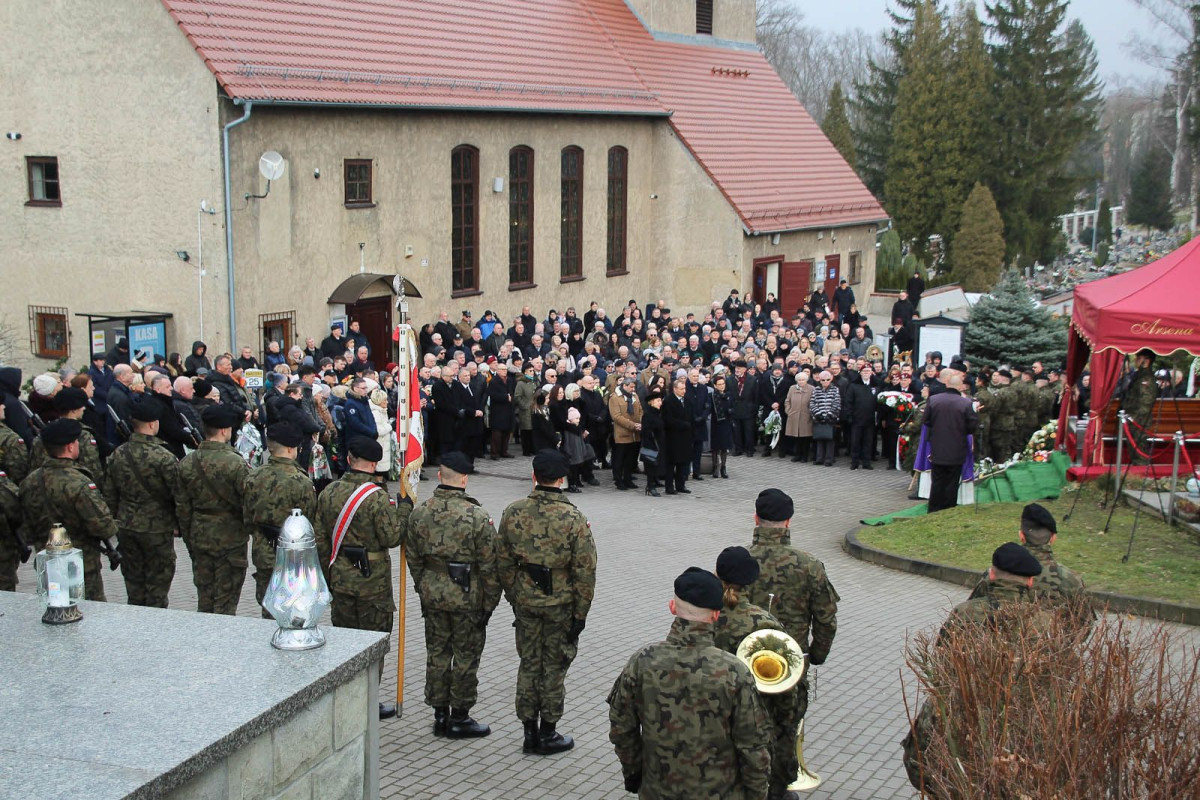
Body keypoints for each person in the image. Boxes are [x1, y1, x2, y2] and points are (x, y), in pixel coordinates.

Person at [607, 566, 770, 799]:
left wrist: (635, 775)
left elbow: (621, 728)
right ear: (715, 615)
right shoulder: (734, 671)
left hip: (657, 790)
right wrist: (757, 794)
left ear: (672, 607)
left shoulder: (642, 661)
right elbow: (753, 746)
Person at [902, 543, 1046, 795]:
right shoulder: (1047, 624)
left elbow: (942, 667)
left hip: (962, 728)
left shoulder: (965, 614)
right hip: (1023, 733)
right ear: (1031, 582)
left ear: (991, 574)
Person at [497, 450, 597, 755]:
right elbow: (585, 571)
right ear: (562, 479)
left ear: (534, 476)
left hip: (526, 603)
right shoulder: (574, 518)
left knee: (529, 663)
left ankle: (528, 731)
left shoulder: (513, 512)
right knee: (554, 666)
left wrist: (515, 595)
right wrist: (580, 615)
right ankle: (548, 732)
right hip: (561, 607)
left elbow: (502, 561)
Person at [405, 451, 499, 738]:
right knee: (466, 656)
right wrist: (489, 603)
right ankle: (460, 715)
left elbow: (413, 556)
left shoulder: (420, 512)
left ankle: (439, 714)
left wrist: (424, 585)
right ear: (465, 479)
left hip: (433, 595)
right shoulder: (477, 516)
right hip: (466, 598)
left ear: (439, 476)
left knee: (437, 653)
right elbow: (489, 567)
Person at [712, 546, 805, 800]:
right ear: (751, 581)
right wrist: (787, 723)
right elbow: (786, 691)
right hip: (756, 728)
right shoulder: (763, 622)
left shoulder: (705, 615)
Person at [745, 489, 839, 726]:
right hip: (792, 661)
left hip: (743, 658)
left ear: (756, 518)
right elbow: (826, 618)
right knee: (787, 729)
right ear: (788, 522)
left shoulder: (739, 560)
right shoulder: (809, 565)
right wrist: (817, 654)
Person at [19, 418, 121, 601]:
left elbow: (25, 525)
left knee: (55, 611)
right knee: (90, 617)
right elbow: (105, 527)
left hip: (48, 564)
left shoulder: (30, 482)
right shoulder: (79, 483)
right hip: (81, 566)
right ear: (70, 447)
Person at [175, 404, 251, 615]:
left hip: (199, 535)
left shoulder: (187, 462)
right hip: (231, 538)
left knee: (205, 597)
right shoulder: (236, 464)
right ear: (225, 430)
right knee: (226, 601)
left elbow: (182, 507)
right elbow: (249, 503)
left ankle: (203, 640)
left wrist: (189, 537)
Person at [103, 401, 179, 607]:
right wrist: (179, 525)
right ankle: (153, 629)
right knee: (158, 585)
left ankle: (135, 625)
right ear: (153, 424)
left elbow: (109, 494)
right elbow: (178, 495)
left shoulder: (117, 454)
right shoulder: (164, 456)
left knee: (133, 583)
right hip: (157, 528)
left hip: (126, 525)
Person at [242, 421, 317, 617]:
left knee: (268, 606)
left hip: (263, 554)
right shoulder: (301, 481)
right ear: (292, 448)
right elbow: (309, 525)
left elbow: (248, 518)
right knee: (294, 611)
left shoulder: (253, 476)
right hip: (293, 559)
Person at [924, 371, 978, 513]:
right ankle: (948, 510)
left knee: (937, 481)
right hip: (956, 448)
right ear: (960, 387)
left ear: (947, 384)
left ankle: (933, 509)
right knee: (952, 482)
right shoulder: (966, 403)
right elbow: (972, 426)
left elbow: (926, 421)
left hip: (938, 447)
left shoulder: (934, 400)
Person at [28, 387, 104, 480]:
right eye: (81, 405)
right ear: (73, 410)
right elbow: (92, 469)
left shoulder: (44, 433)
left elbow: (34, 466)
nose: (84, 408)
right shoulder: (82, 434)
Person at [1121, 349, 1158, 462]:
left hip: (1139, 420)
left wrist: (1135, 420)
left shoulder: (1146, 378)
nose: (1136, 360)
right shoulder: (1139, 375)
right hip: (1133, 418)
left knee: (1139, 451)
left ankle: (1142, 473)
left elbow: (1146, 402)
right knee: (1134, 450)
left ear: (1147, 360)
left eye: (1139, 357)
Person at [608, 375, 643, 491]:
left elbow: (640, 410)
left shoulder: (634, 396)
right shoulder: (614, 398)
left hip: (635, 433)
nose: (633, 389)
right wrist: (632, 425)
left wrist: (640, 422)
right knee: (620, 458)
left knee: (630, 458)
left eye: (634, 387)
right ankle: (619, 480)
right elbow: (616, 416)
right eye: (631, 387)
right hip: (622, 433)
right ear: (624, 386)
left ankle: (628, 479)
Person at [843, 363, 879, 470]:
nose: (866, 373)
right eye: (864, 371)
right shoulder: (853, 385)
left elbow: (879, 403)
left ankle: (866, 462)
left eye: (868, 371)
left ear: (871, 373)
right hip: (856, 419)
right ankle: (854, 462)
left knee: (868, 442)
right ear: (860, 372)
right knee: (855, 441)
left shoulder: (875, 386)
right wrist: (849, 416)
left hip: (870, 419)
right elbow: (848, 402)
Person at [662, 379, 693, 495]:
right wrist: (683, 424)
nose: (683, 391)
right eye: (681, 389)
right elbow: (667, 419)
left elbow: (691, 415)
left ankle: (681, 485)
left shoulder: (687, 400)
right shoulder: (669, 401)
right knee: (671, 463)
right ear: (674, 389)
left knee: (683, 462)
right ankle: (669, 486)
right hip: (673, 437)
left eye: (684, 388)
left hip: (685, 436)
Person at [808, 370, 841, 467]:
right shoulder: (816, 390)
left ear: (830, 379)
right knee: (819, 439)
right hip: (819, 418)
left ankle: (829, 459)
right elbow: (812, 403)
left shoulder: (835, 390)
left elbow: (837, 403)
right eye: (823, 380)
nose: (825, 382)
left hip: (831, 418)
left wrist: (829, 415)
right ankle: (819, 458)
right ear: (820, 380)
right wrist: (818, 414)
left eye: (827, 380)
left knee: (830, 439)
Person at [784, 367, 814, 463]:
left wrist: (810, 413)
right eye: (799, 380)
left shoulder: (812, 389)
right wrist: (789, 411)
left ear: (806, 380)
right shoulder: (792, 388)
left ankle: (804, 456)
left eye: (803, 380)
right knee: (796, 437)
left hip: (806, 417)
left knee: (805, 438)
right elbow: (787, 401)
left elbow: (813, 403)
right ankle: (797, 455)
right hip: (794, 416)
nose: (801, 382)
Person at [640, 389, 666, 497]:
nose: (660, 403)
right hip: (651, 444)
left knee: (657, 465)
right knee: (651, 465)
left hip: (659, 442)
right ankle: (650, 486)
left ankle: (654, 482)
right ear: (652, 402)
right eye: (658, 401)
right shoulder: (648, 414)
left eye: (661, 401)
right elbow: (645, 431)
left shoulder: (659, 413)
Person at [730, 361, 758, 457]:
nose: (737, 370)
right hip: (735, 409)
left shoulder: (752, 379)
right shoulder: (730, 379)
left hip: (748, 410)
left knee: (748, 431)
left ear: (744, 369)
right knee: (737, 431)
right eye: (736, 368)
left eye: (739, 368)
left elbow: (756, 396)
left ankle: (749, 449)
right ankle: (738, 449)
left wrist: (754, 409)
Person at [709, 373, 734, 478]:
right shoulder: (712, 396)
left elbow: (733, 406)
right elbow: (709, 409)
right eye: (719, 384)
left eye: (723, 384)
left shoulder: (728, 395)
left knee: (724, 447)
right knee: (715, 448)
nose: (722, 386)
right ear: (715, 385)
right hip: (716, 423)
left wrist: (731, 410)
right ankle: (715, 467)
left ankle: (723, 467)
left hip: (726, 423)